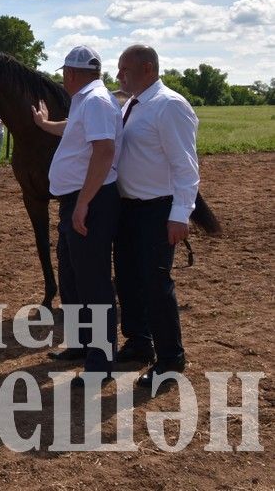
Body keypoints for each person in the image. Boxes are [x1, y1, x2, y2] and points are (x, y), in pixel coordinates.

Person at [31, 45, 122, 383]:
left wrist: (83, 203)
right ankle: (83, 345)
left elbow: (104, 150)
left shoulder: (95, 100)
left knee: (94, 281)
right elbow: (75, 128)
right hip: (80, 200)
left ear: (69, 74)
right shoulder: (89, 99)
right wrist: (44, 124)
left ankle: (100, 363)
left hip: (90, 201)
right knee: (73, 277)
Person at [114, 44, 199, 389]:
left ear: (148, 68)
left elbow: (185, 166)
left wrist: (180, 214)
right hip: (129, 207)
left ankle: (170, 358)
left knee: (155, 283)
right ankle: (139, 341)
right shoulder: (132, 105)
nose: (119, 76)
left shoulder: (170, 106)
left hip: (158, 208)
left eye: (125, 70)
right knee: (128, 278)